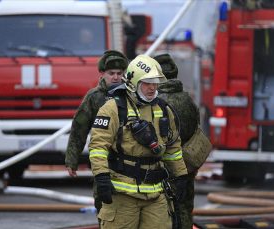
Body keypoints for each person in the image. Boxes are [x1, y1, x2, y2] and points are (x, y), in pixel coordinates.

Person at [88, 54, 188, 229]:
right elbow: (98, 146)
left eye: (155, 83)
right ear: (133, 82)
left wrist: (180, 176)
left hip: (155, 194)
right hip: (122, 194)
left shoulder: (163, 110)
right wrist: (102, 177)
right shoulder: (113, 109)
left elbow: (173, 148)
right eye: (147, 83)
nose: (152, 88)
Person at [64, 50, 129, 216]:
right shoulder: (94, 97)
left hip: (128, 161)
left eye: (119, 73)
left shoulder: (131, 95)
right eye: (111, 73)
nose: (115, 77)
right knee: (103, 204)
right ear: (102, 73)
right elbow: (79, 128)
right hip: (103, 161)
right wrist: (72, 160)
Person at [155, 53, 212, 229]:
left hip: (164, 170)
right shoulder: (188, 100)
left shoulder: (156, 103)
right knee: (185, 208)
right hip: (188, 165)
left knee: (163, 213)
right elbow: (196, 128)